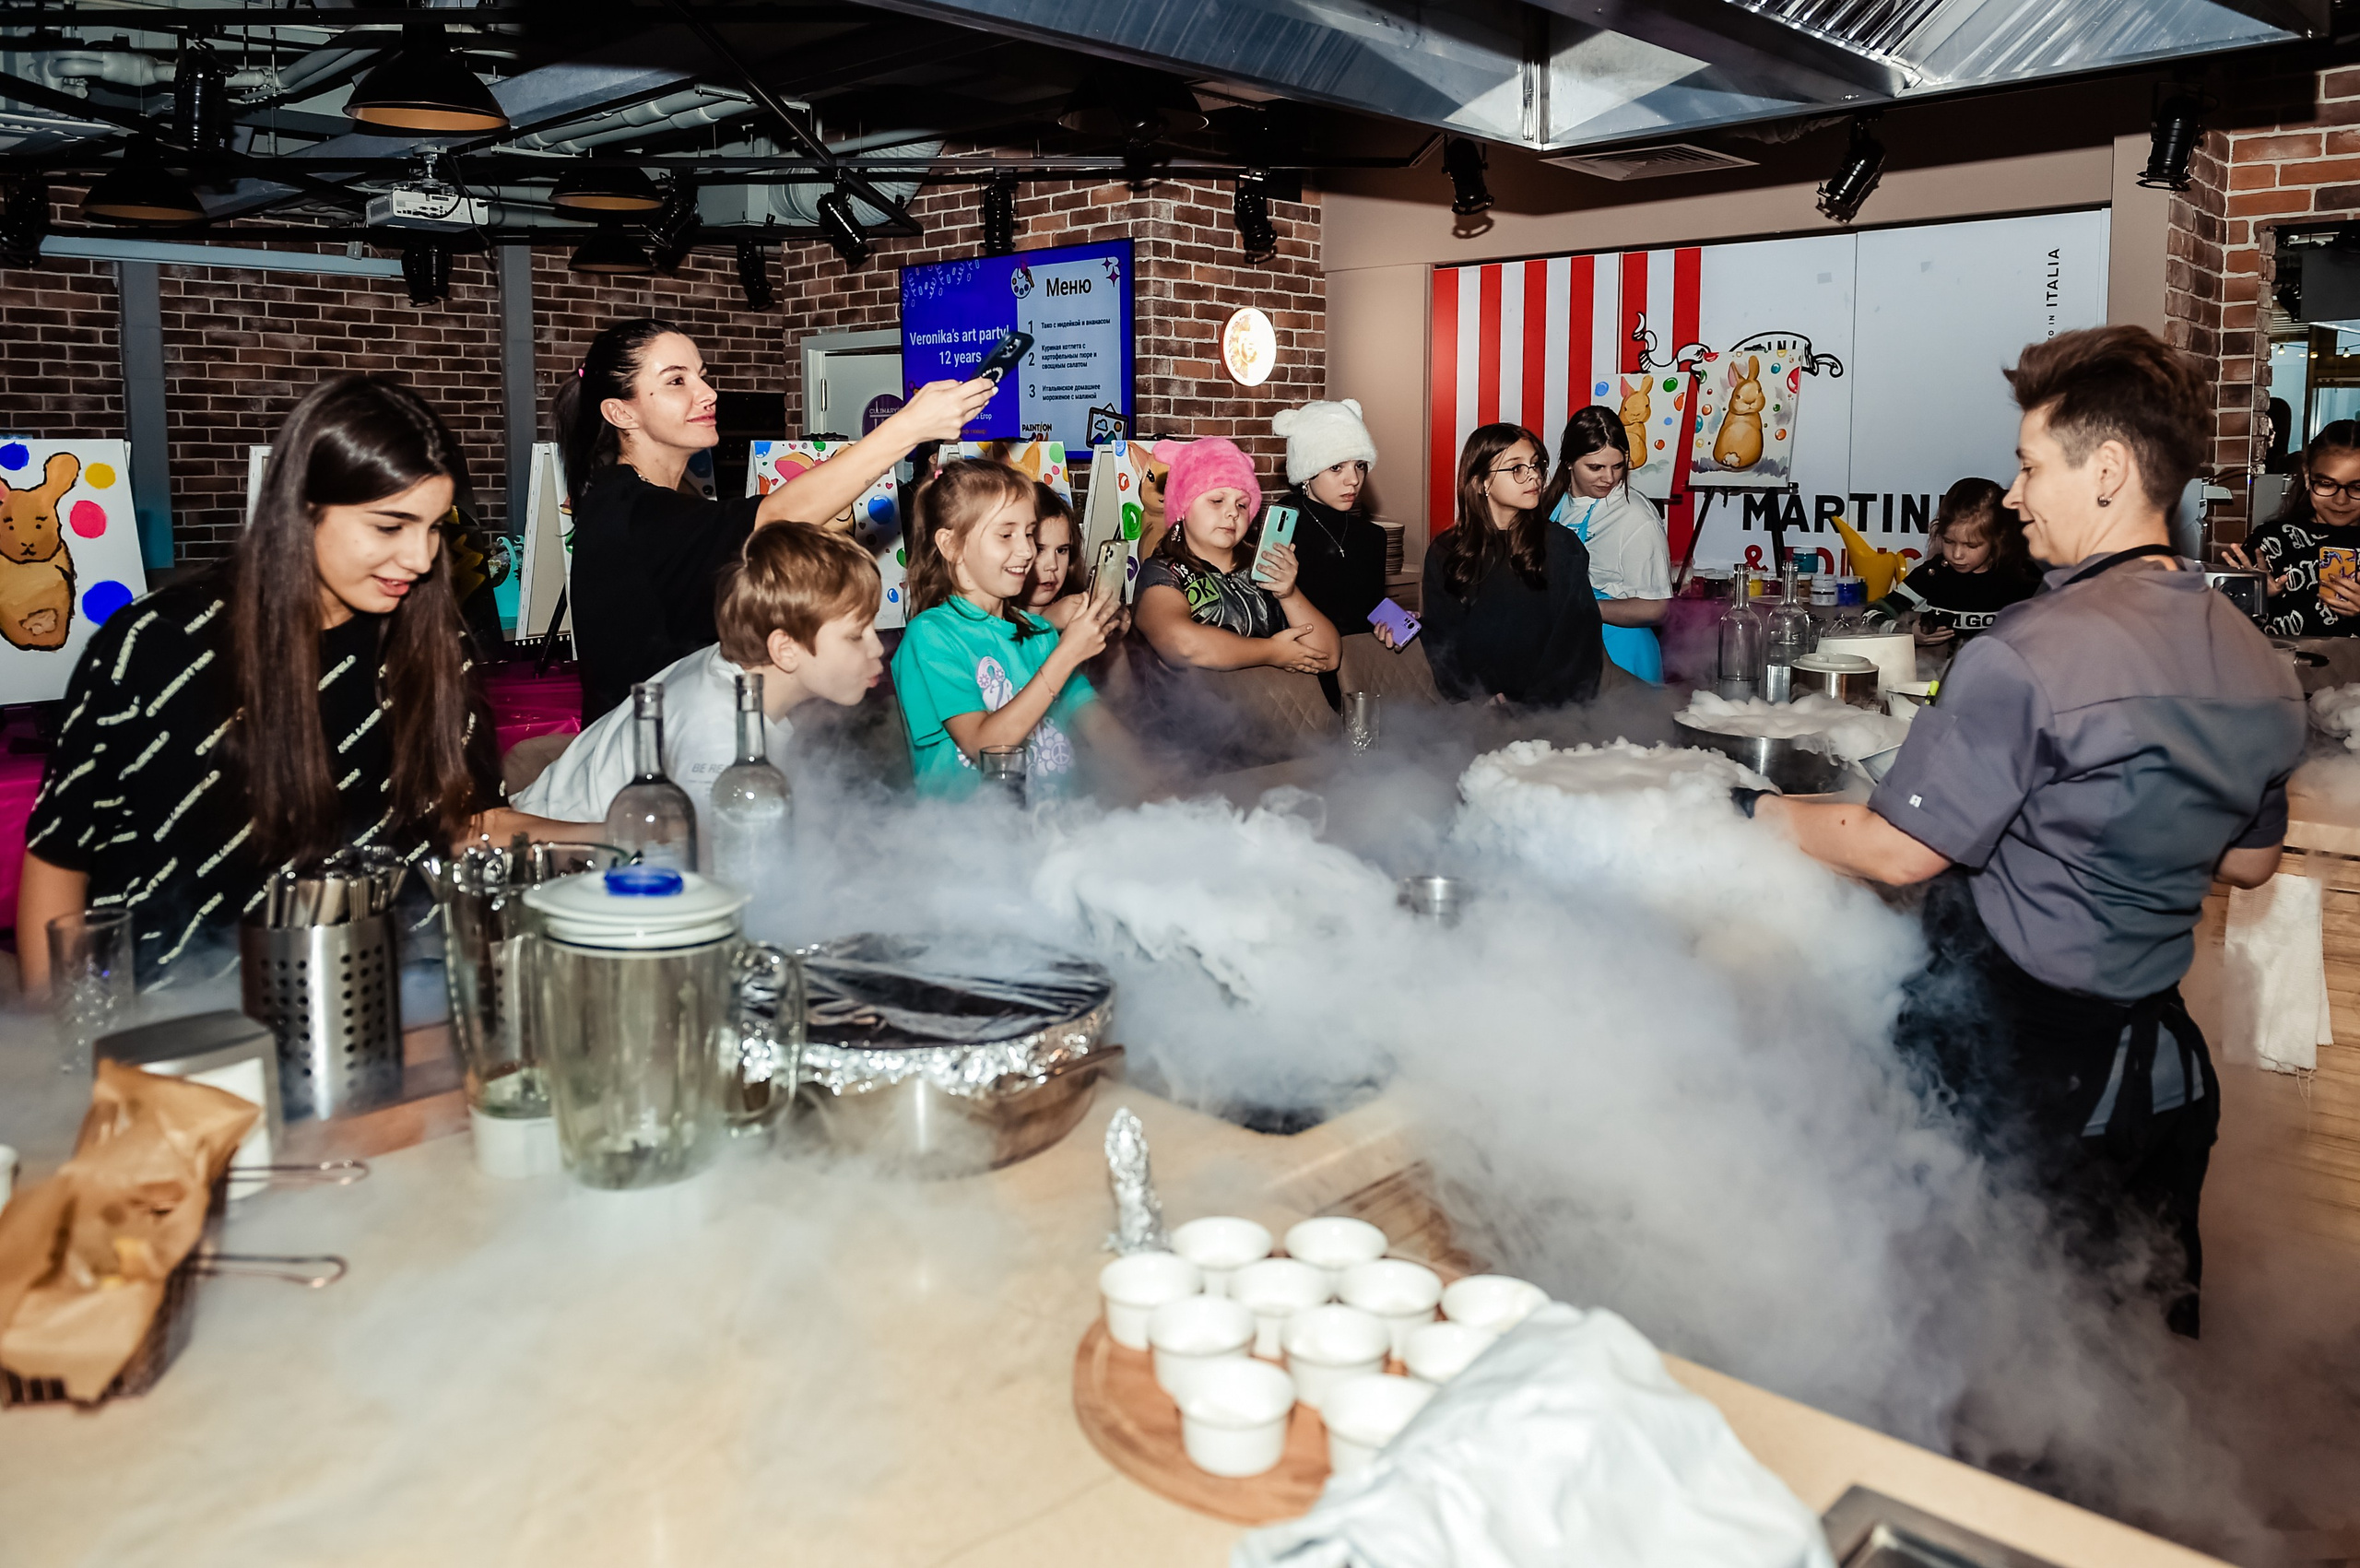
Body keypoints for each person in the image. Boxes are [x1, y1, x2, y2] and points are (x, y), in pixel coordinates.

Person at [1744, 325, 2305, 1336]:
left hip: (2020, 1087)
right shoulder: (2256, 659)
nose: (2011, 496)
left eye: (2028, 465)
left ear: (2107, 471)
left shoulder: (2028, 649)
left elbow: (1896, 849)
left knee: (1987, 1369)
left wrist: (1757, 811)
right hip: (2161, 1085)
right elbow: (2254, 860)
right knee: (2128, 1379)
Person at [18, 376, 550, 987]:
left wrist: (629, 832)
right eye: (389, 526)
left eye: (433, 527)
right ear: (302, 507)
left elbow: (468, 825)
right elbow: (58, 861)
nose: (421, 557)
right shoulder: (156, 646)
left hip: (386, 1002)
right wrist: (61, 1048)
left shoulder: (432, 645)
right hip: (183, 1025)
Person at [557, 317, 993, 724]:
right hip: (644, 766)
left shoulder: (650, 500)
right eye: (676, 381)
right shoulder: (628, 507)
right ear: (621, 413)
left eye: (701, 376)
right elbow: (776, 516)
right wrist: (909, 427)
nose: (707, 393)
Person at [514, 524, 884, 822]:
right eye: (856, 635)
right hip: (559, 869)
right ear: (785, 649)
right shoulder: (718, 738)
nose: (878, 647)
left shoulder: (734, 672)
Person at [893, 458, 1136, 798]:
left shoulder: (1040, 634)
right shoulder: (932, 635)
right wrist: (1068, 654)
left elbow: (1099, 728)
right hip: (969, 838)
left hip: (1053, 829)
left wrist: (1158, 784)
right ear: (951, 545)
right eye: (1006, 534)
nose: (1025, 551)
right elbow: (985, 747)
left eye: (1028, 534)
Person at [1420, 423, 1605, 707]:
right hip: (1475, 715)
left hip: (1554, 712)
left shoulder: (1562, 547)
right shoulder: (1446, 552)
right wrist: (1478, 701)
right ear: (1482, 481)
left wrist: (1531, 707)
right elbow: (1442, 642)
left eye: (1536, 465)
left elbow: (1578, 647)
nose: (1534, 476)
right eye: (1517, 468)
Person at [1133, 435, 1340, 676]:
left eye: (1242, 505)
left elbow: (1329, 656)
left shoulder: (1262, 567)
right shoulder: (1162, 572)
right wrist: (1272, 652)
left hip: (1275, 709)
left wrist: (1288, 593)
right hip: (1195, 712)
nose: (1232, 512)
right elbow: (1182, 644)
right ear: (1182, 508)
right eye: (1217, 500)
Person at [1543, 406, 1670, 682]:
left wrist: (1584, 608)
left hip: (1622, 650)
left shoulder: (1636, 515)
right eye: (1595, 467)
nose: (1609, 478)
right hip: (1567, 646)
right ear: (1568, 463)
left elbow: (1657, 608)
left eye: (1617, 466)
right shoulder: (1548, 505)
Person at [2225, 419, 2360, 638]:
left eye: (2357, 487)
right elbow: (2226, 630)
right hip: (2279, 669)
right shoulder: (2271, 539)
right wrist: (2253, 596)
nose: (2341, 500)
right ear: (2308, 478)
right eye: (2326, 484)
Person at [1888, 477, 2041, 644]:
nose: (1957, 554)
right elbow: (1872, 615)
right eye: (1948, 541)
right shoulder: (1932, 575)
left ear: (1998, 538)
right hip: (1934, 669)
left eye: (1971, 545)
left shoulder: (2023, 578)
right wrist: (1906, 632)